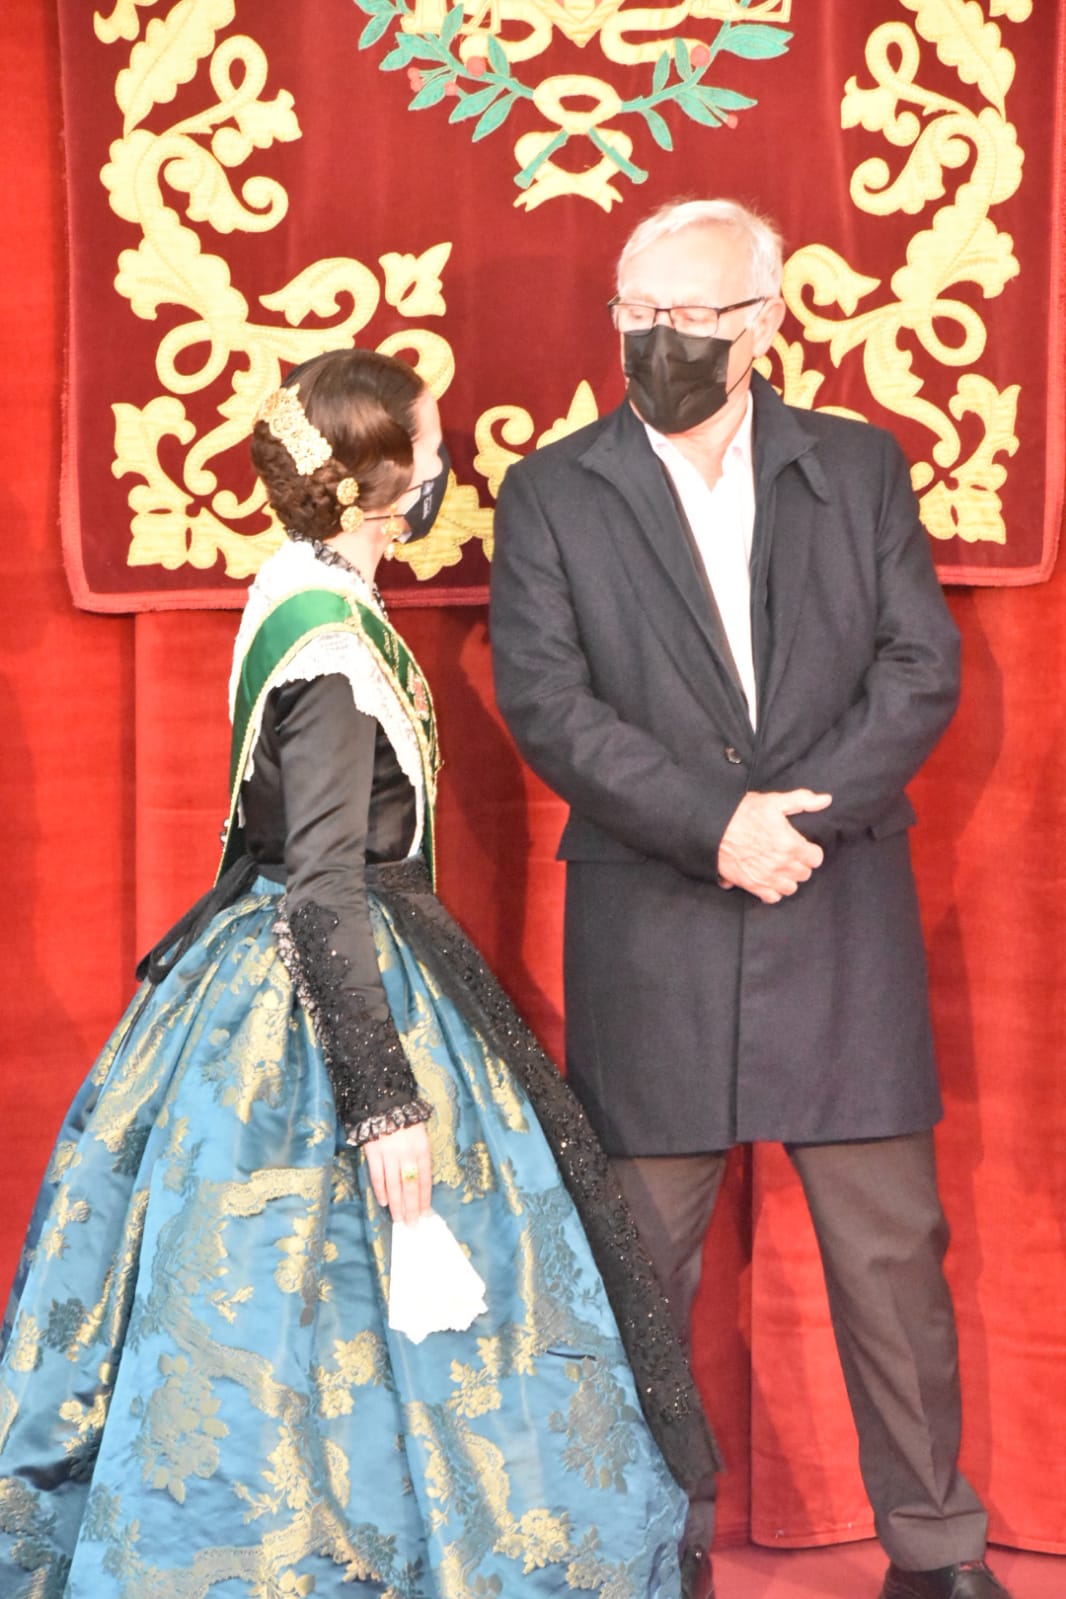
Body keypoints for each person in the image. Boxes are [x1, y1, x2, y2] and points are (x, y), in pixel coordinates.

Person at [0, 347, 717, 1598]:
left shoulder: (306, 588)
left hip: (292, 959)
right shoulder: (328, 643)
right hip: (334, 977)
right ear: (378, 480)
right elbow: (324, 885)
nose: (446, 463)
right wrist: (384, 1104)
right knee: (317, 1298)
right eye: (429, 445)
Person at [489, 199, 1015, 1599]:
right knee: (640, 1273)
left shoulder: (854, 464)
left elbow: (917, 667)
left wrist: (794, 824)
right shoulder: (552, 491)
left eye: (691, 316)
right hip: (653, 923)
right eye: (637, 312)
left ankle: (933, 1550)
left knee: (892, 1262)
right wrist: (713, 825)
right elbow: (547, 702)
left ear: (764, 322)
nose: (657, 339)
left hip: (834, 908)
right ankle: (649, 1553)